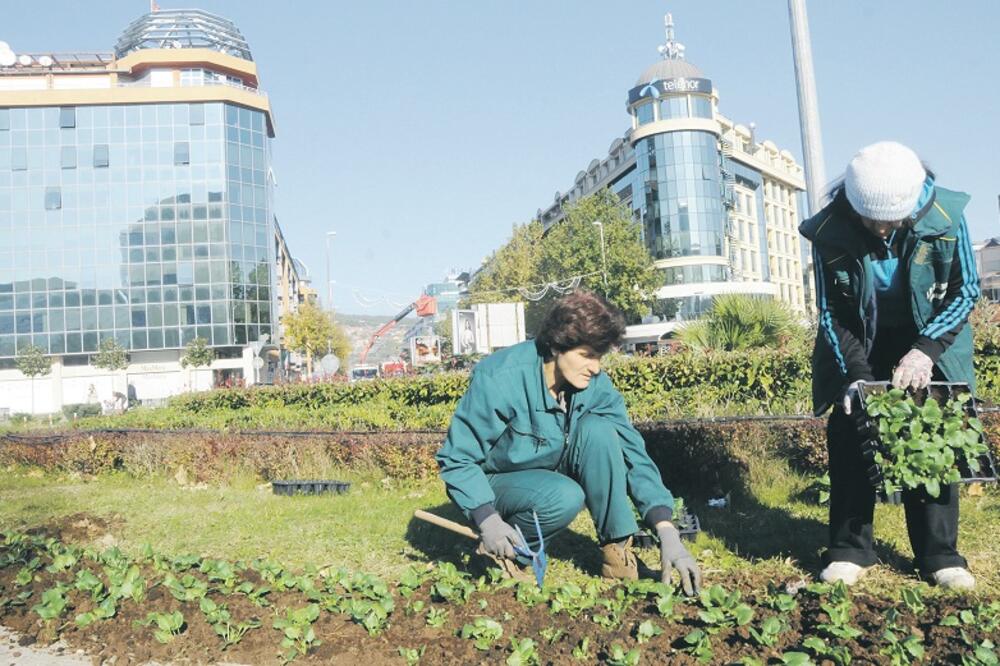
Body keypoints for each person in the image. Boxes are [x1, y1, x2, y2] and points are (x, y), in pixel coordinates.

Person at [799, 141, 980, 590]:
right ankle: (849, 549)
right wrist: (857, 377)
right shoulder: (829, 231)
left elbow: (966, 291)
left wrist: (924, 351)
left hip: (930, 338)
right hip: (862, 341)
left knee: (931, 440)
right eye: (871, 220)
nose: (881, 230)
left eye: (890, 220)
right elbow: (832, 313)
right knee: (850, 433)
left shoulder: (947, 218)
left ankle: (940, 555)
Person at [435, 291, 701, 594]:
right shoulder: (500, 378)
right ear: (555, 345)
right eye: (586, 355)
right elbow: (457, 460)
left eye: (599, 356)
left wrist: (667, 532)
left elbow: (632, 454)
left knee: (600, 431)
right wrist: (487, 519)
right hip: (496, 482)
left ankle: (616, 551)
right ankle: (507, 552)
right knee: (564, 496)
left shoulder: (594, 384)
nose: (596, 367)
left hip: (550, 470)